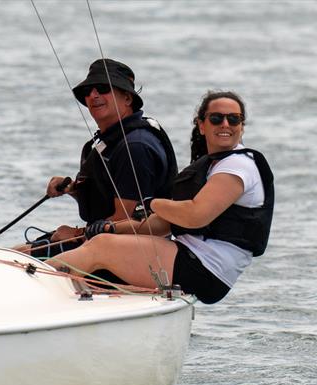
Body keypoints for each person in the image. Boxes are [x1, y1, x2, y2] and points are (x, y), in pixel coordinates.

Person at [46, 90, 274, 304]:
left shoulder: (237, 166)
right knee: (100, 246)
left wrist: (153, 203)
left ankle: (31, 285)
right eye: (216, 118)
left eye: (233, 119)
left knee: (102, 248)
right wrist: (111, 229)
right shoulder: (212, 165)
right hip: (192, 258)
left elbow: (195, 216)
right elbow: (162, 225)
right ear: (202, 125)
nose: (225, 124)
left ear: (242, 127)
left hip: (207, 270)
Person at [19, 58, 177, 258]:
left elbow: (123, 223)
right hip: (104, 241)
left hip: (131, 254)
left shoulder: (135, 147)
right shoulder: (113, 139)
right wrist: (72, 189)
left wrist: (74, 235)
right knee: (15, 252)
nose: (93, 95)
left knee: (19, 257)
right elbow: (105, 200)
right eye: (88, 91)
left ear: (127, 98)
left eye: (103, 88)